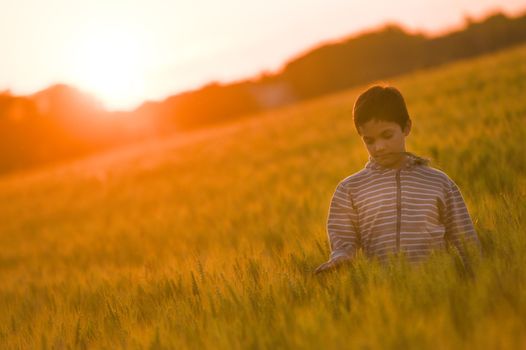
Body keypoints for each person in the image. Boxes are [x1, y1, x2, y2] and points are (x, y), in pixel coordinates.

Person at [314, 85, 481, 274]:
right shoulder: (350, 189)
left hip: (439, 289)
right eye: (369, 140)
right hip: (383, 294)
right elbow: (344, 242)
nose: (379, 147)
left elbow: (468, 244)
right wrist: (341, 258)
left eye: (387, 135)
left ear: (406, 127)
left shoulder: (438, 183)